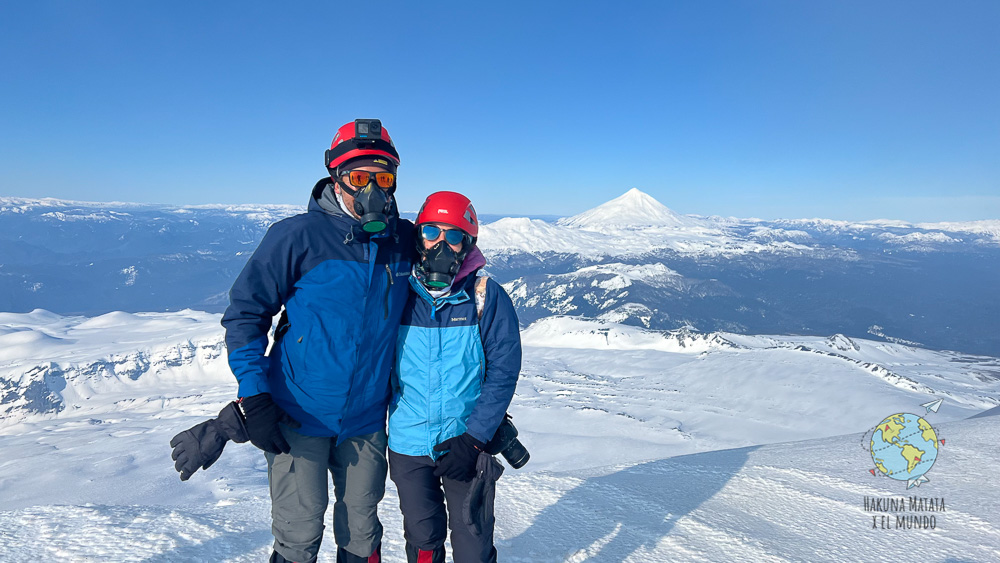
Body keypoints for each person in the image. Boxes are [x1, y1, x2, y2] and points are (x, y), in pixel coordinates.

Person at [221, 119, 414, 563]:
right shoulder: (296, 237)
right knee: (299, 531)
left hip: (365, 420)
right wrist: (254, 395)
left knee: (363, 533)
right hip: (297, 415)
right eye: (359, 178)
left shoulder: (404, 242)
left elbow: (444, 288)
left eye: (383, 178)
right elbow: (246, 315)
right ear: (336, 178)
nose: (373, 191)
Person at [388, 191, 522, 563]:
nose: (441, 244)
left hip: (466, 442)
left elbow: (503, 372)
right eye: (431, 231)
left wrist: (475, 438)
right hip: (409, 443)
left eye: (455, 236)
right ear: (418, 237)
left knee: (472, 543)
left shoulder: (485, 297)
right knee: (423, 539)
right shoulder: (398, 294)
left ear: (468, 245)